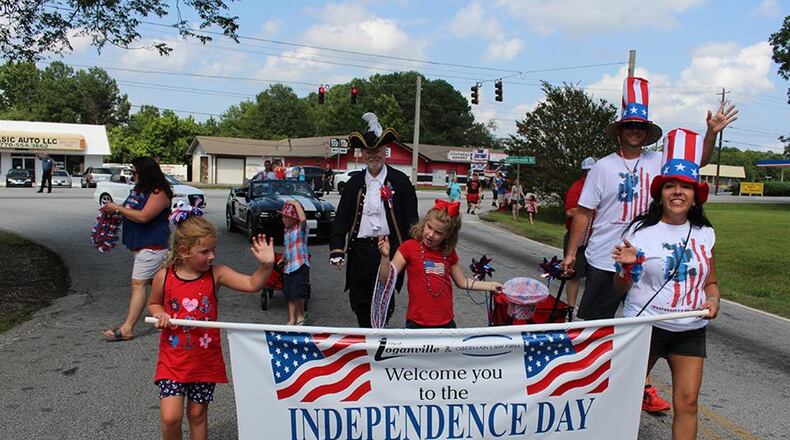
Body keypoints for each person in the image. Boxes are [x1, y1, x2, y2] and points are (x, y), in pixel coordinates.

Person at [560, 77, 735, 411]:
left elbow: (694, 163)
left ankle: (640, 388)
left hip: (651, 258)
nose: (636, 130)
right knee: (596, 328)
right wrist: (571, 254)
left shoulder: (658, 163)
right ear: (620, 130)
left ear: (646, 131)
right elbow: (584, 213)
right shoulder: (602, 168)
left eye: (641, 125)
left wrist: (711, 132)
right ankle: (581, 384)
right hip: (603, 259)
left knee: (642, 332)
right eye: (630, 125)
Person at [612, 128, 720, 436]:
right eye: (670, 185)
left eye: (685, 186)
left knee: (687, 403)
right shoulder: (640, 233)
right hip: (644, 327)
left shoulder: (705, 234)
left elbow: (711, 283)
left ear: (695, 196)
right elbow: (619, 289)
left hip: (689, 329)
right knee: (625, 400)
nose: (677, 192)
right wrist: (629, 270)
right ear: (660, 194)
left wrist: (712, 302)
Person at [148, 209, 275, 440]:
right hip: (172, 361)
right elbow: (154, 303)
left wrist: (266, 265)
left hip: (205, 362)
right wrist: (160, 314)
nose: (212, 256)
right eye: (204, 251)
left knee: (197, 414)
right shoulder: (163, 277)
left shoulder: (217, 274)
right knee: (170, 417)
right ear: (184, 251)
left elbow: (251, 284)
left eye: (213, 249)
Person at [330, 112, 419, 328]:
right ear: (362, 153)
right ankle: (365, 335)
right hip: (360, 249)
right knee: (360, 300)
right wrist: (337, 250)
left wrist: (414, 250)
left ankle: (379, 336)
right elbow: (341, 218)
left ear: (385, 151)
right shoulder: (354, 183)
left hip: (388, 249)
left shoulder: (400, 181)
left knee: (384, 299)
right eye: (369, 151)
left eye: (377, 150)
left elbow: (411, 220)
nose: (374, 155)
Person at [376, 200, 503, 328]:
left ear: (448, 235)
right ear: (424, 223)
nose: (431, 234)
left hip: (446, 324)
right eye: (429, 227)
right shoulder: (408, 247)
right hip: (417, 323)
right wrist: (385, 256)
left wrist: (491, 285)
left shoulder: (449, 253)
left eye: (438, 232)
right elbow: (385, 279)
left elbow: (462, 282)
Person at [101, 157, 173, 341]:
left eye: (134, 172)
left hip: (152, 245)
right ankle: (174, 315)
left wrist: (117, 208)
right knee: (158, 283)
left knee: (138, 283)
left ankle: (127, 328)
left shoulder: (159, 193)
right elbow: (129, 210)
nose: (131, 175)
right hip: (140, 245)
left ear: (145, 172)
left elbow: (143, 216)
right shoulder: (139, 190)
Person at [563, 157, 596, 310]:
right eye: (588, 171)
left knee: (595, 274)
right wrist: (589, 209)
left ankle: (588, 308)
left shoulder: (600, 187)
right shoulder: (578, 187)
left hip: (596, 236)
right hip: (579, 236)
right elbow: (570, 211)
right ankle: (571, 307)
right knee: (574, 274)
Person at [279, 201, 310, 326]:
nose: (283, 219)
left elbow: (303, 219)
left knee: (297, 293)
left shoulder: (300, 229)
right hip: (289, 267)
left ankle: (301, 315)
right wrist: (282, 258)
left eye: (285, 217)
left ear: (293, 218)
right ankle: (292, 318)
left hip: (300, 265)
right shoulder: (287, 232)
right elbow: (287, 248)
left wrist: (296, 204)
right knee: (289, 294)